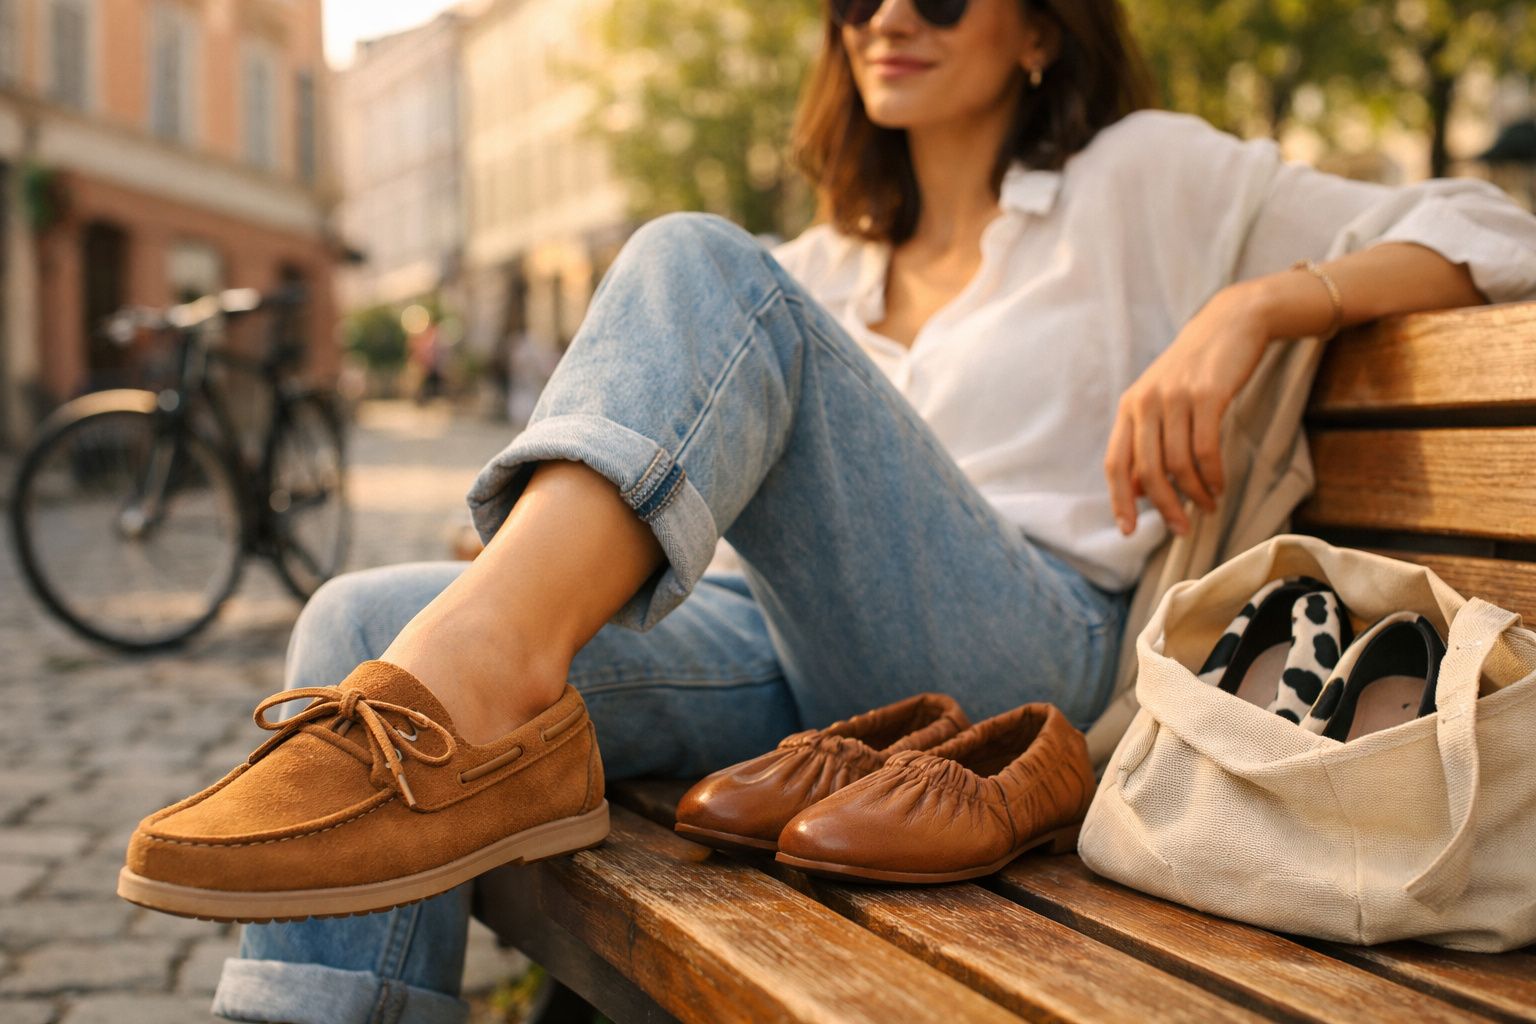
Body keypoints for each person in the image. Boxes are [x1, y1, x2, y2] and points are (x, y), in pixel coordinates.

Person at [161, 0, 1536, 1020]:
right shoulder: (827, 259)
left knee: (698, 260)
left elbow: (1497, 229)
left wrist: (1256, 304)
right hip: (803, 678)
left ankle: (478, 684)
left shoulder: (1146, 180)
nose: (888, 15)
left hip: (1015, 681)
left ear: (1040, 26)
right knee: (355, 616)